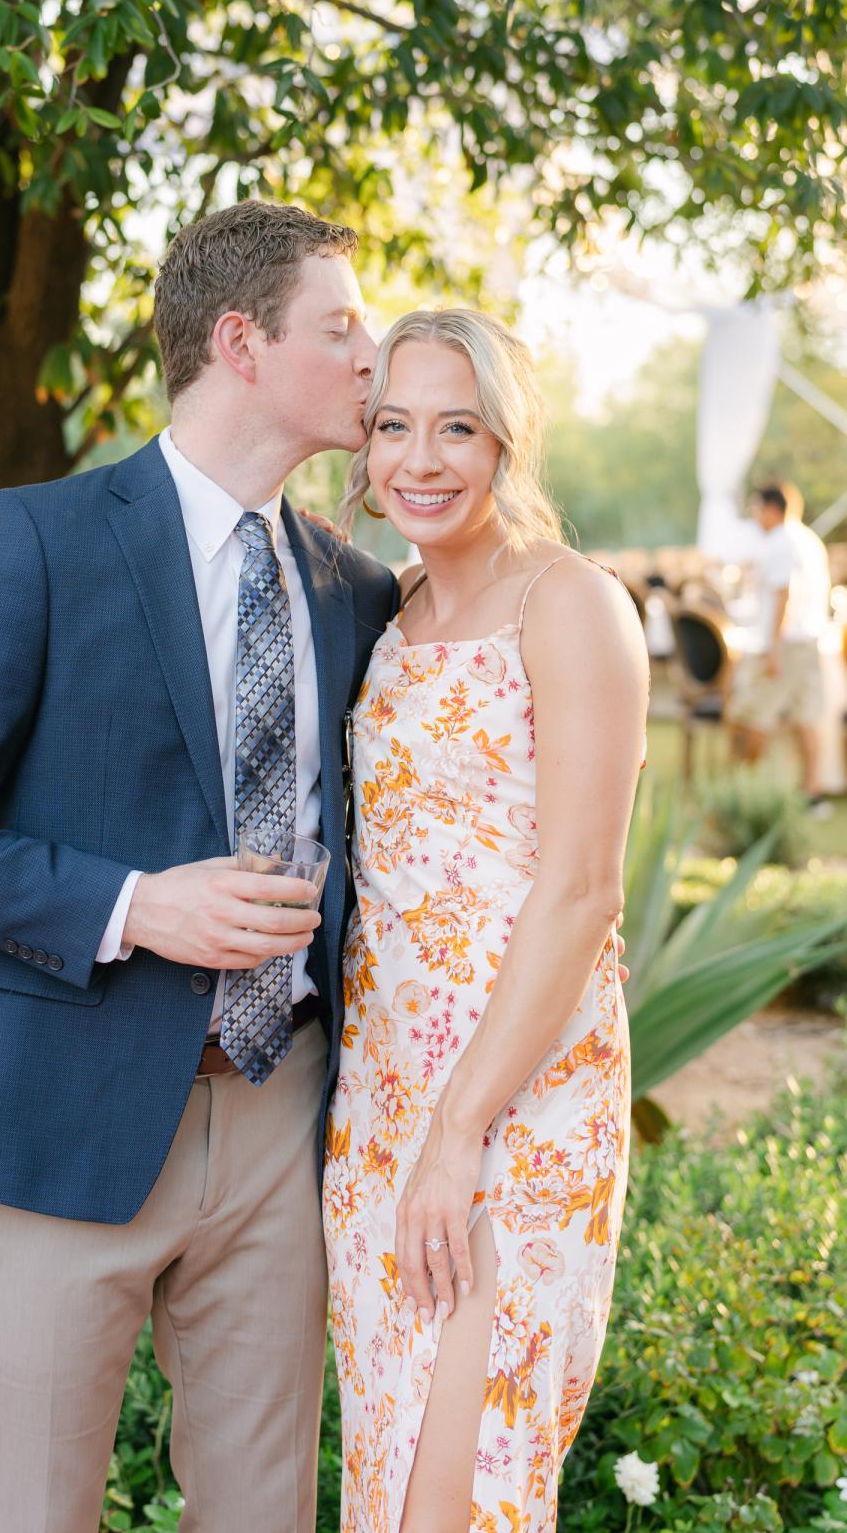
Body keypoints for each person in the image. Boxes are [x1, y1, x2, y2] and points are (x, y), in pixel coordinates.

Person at [0, 201, 401, 1533]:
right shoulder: (39, 539)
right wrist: (137, 906)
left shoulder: (357, 592)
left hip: (283, 1119)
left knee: (264, 1514)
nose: (373, 356)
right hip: (60, 1115)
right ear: (238, 343)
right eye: (341, 328)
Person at [323, 308, 648, 1533]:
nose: (422, 458)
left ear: (510, 440)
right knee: (386, 1475)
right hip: (379, 1109)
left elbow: (581, 893)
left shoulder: (570, 605)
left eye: (458, 426)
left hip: (516, 1106)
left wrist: (459, 1133)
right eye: (395, 425)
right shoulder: (389, 611)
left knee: (460, 1494)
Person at [729, 480, 831, 803]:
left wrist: (773, 649)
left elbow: (783, 595)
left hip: (784, 644)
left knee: (756, 714)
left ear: (773, 509)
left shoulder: (780, 542)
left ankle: (743, 790)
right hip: (808, 639)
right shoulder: (809, 540)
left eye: (757, 508)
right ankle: (812, 791)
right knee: (806, 716)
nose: (755, 516)